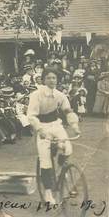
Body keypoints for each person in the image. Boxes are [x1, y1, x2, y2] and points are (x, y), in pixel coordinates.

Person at [27, 67, 81, 204]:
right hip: (42, 127)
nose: (52, 80)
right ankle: (48, 193)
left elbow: (68, 111)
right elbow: (31, 116)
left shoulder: (60, 95)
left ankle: (61, 170)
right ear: (44, 80)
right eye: (49, 78)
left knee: (67, 148)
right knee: (45, 161)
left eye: (54, 78)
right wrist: (40, 130)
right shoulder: (36, 95)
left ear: (57, 80)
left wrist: (74, 125)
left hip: (56, 125)